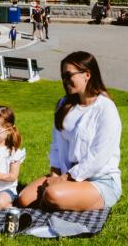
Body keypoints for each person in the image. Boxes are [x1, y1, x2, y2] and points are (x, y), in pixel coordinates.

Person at [18, 51, 122, 211]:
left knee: (52, 194)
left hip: (99, 180)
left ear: (86, 74)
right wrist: (55, 173)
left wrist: (64, 179)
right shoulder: (64, 104)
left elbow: (98, 157)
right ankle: (62, 199)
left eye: (69, 75)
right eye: (63, 77)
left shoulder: (105, 108)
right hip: (66, 176)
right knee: (24, 199)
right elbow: (56, 145)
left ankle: (63, 199)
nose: (65, 81)